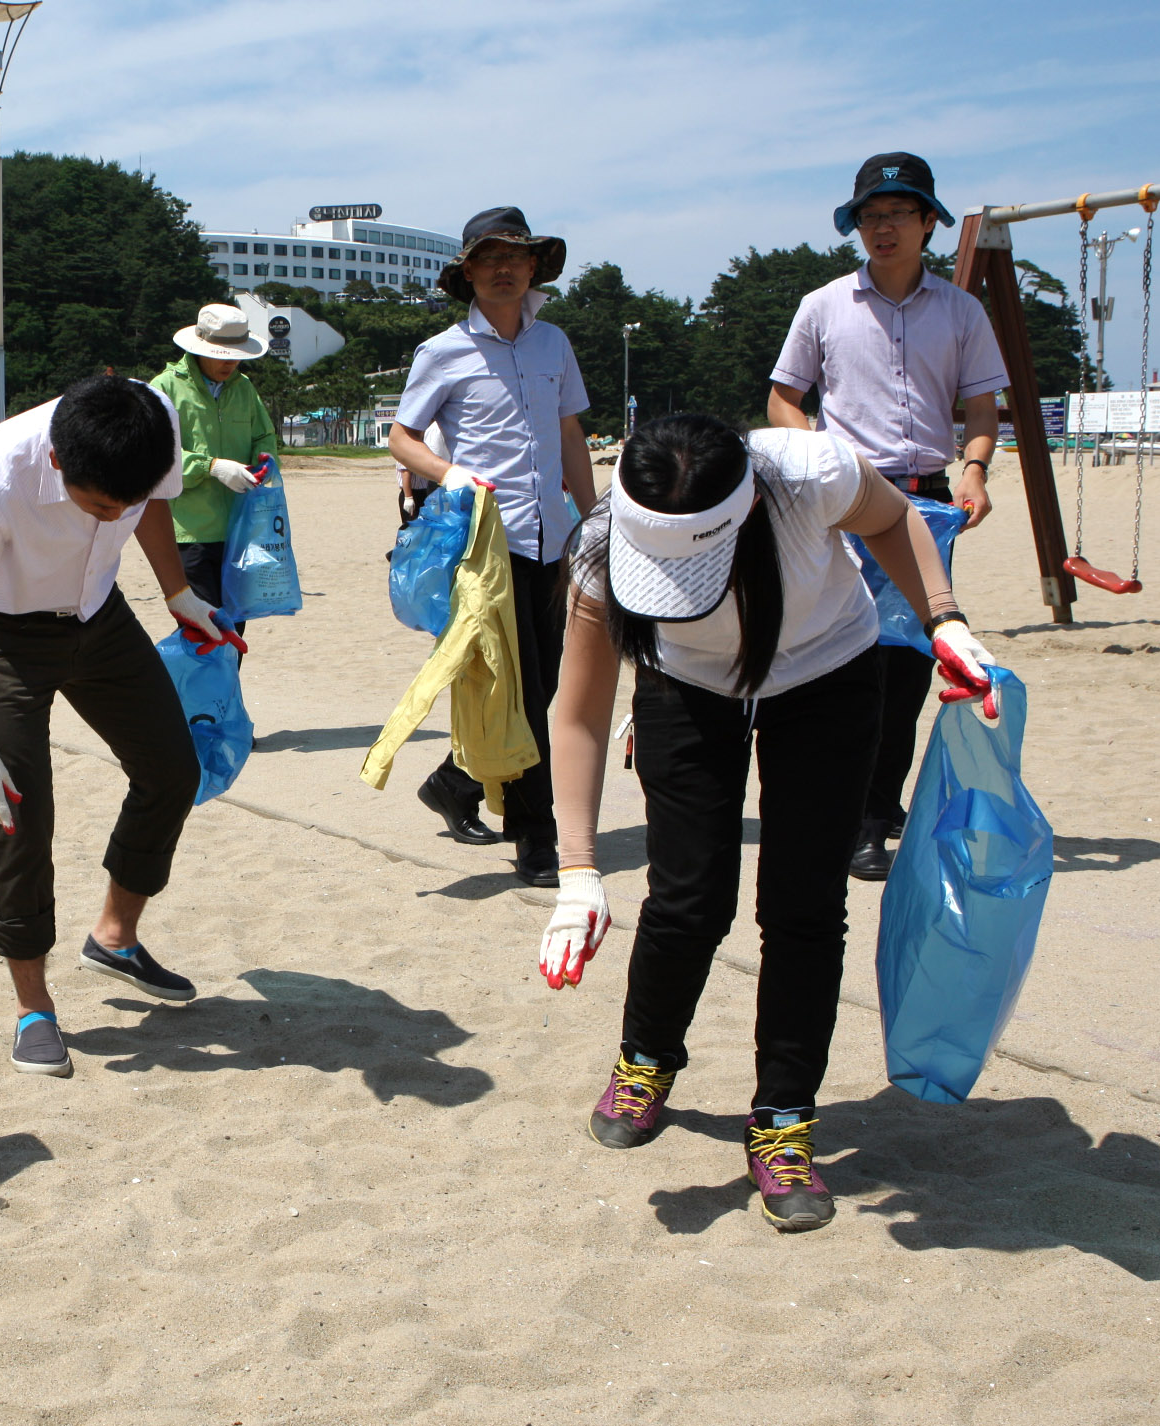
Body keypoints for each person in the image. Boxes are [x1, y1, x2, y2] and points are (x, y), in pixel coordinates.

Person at [541, 413, 1001, 1232]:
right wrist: (577, 873)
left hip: (827, 669)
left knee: (804, 906)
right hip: (687, 687)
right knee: (687, 896)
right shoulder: (601, 544)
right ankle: (645, 1060)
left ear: (746, 511)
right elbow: (577, 713)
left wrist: (943, 617)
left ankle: (784, 1119)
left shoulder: (808, 474)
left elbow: (894, 516)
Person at [0, 374, 241, 1077]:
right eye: (99, 505)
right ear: (59, 463)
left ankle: (115, 937)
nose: (113, 513)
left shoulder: (153, 425)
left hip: (97, 615)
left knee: (173, 769)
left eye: (125, 500)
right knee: (16, 811)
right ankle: (34, 1006)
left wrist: (178, 594)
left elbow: (153, 501)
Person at [765, 152, 1009, 881]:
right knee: (837, 657)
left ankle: (873, 817)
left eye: (899, 213)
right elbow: (784, 397)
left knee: (906, 667)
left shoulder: (963, 312)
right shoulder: (824, 305)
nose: (884, 228)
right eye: (872, 216)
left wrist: (973, 470)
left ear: (929, 221)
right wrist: (816, 460)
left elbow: (982, 407)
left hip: (926, 500)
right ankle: (843, 808)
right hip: (843, 496)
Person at [389, 207, 595, 886]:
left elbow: (570, 437)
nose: (504, 269)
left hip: (551, 539)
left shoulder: (554, 344)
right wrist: (451, 475)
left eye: (517, 257)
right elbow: (401, 437)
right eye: (490, 259)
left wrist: (590, 521)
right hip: (483, 544)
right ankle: (536, 836)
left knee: (541, 682)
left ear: (534, 267)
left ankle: (458, 782)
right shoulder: (442, 351)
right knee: (522, 688)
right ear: (468, 273)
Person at [149, 304, 278, 610]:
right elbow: (154, 458)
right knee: (204, 624)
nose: (231, 363)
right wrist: (211, 467)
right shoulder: (164, 387)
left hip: (240, 527)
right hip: (190, 533)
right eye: (222, 355)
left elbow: (264, 436)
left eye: (237, 356)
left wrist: (266, 463)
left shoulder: (244, 388)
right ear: (199, 348)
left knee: (236, 624)